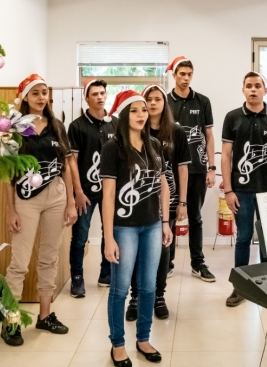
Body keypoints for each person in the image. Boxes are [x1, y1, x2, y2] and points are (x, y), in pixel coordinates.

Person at [2, 74, 77, 346]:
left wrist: (70, 201)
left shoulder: (57, 126)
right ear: (25, 98)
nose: (41, 97)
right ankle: (10, 322)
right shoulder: (14, 128)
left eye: (44, 92)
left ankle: (45, 316)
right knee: (19, 263)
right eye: (35, 93)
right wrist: (10, 210)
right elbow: (9, 173)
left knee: (49, 258)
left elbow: (67, 166)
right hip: (26, 199)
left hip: (56, 196)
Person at [100, 90, 173, 366]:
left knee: (148, 286)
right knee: (120, 288)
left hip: (153, 225)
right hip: (124, 227)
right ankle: (117, 344)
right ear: (123, 114)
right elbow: (107, 195)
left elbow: (163, 185)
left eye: (145, 109)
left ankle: (143, 339)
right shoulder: (112, 148)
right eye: (135, 110)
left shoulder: (154, 144)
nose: (143, 114)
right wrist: (108, 237)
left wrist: (165, 221)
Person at [125, 84, 191, 322]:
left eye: (157, 99)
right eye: (148, 100)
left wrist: (182, 201)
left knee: (163, 251)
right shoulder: (134, 131)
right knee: (136, 251)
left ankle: (158, 297)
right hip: (139, 200)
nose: (152, 104)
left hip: (168, 202)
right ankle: (135, 297)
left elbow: (182, 168)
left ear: (165, 103)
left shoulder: (176, 131)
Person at [222, 71, 267, 307]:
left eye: (257, 86)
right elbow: (227, 156)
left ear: (265, 90)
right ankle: (240, 287)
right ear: (243, 90)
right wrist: (228, 190)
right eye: (248, 86)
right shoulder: (232, 118)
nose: (253, 89)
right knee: (244, 237)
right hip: (242, 191)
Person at [166, 56, 216, 283]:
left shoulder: (202, 101)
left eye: (189, 74)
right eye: (181, 74)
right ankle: (167, 263)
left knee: (194, 216)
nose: (185, 78)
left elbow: (209, 136)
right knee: (169, 216)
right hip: (170, 170)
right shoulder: (165, 101)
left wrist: (211, 168)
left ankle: (198, 263)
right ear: (174, 75)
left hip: (197, 168)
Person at [67, 78, 117, 298]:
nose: (99, 97)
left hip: (109, 192)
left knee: (110, 233)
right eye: (95, 94)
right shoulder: (77, 126)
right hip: (85, 192)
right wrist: (77, 191)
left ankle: (106, 273)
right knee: (80, 237)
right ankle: (77, 279)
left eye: (102, 93)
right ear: (87, 98)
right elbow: (72, 162)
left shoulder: (114, 123)